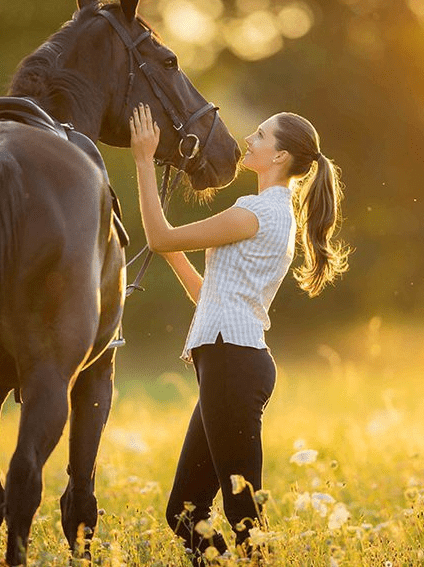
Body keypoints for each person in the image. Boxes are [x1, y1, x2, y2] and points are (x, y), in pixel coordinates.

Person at [129, 103, 350, 564]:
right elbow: (211, 297)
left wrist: (144, 160)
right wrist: (174, 253)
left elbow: (157, 236)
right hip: (230, 360)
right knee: (185, 514)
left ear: (280, 157)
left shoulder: (256, 212)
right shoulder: (275, 215)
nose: (250, 139)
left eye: (262, 135)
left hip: (234, 363)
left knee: (242, 510)